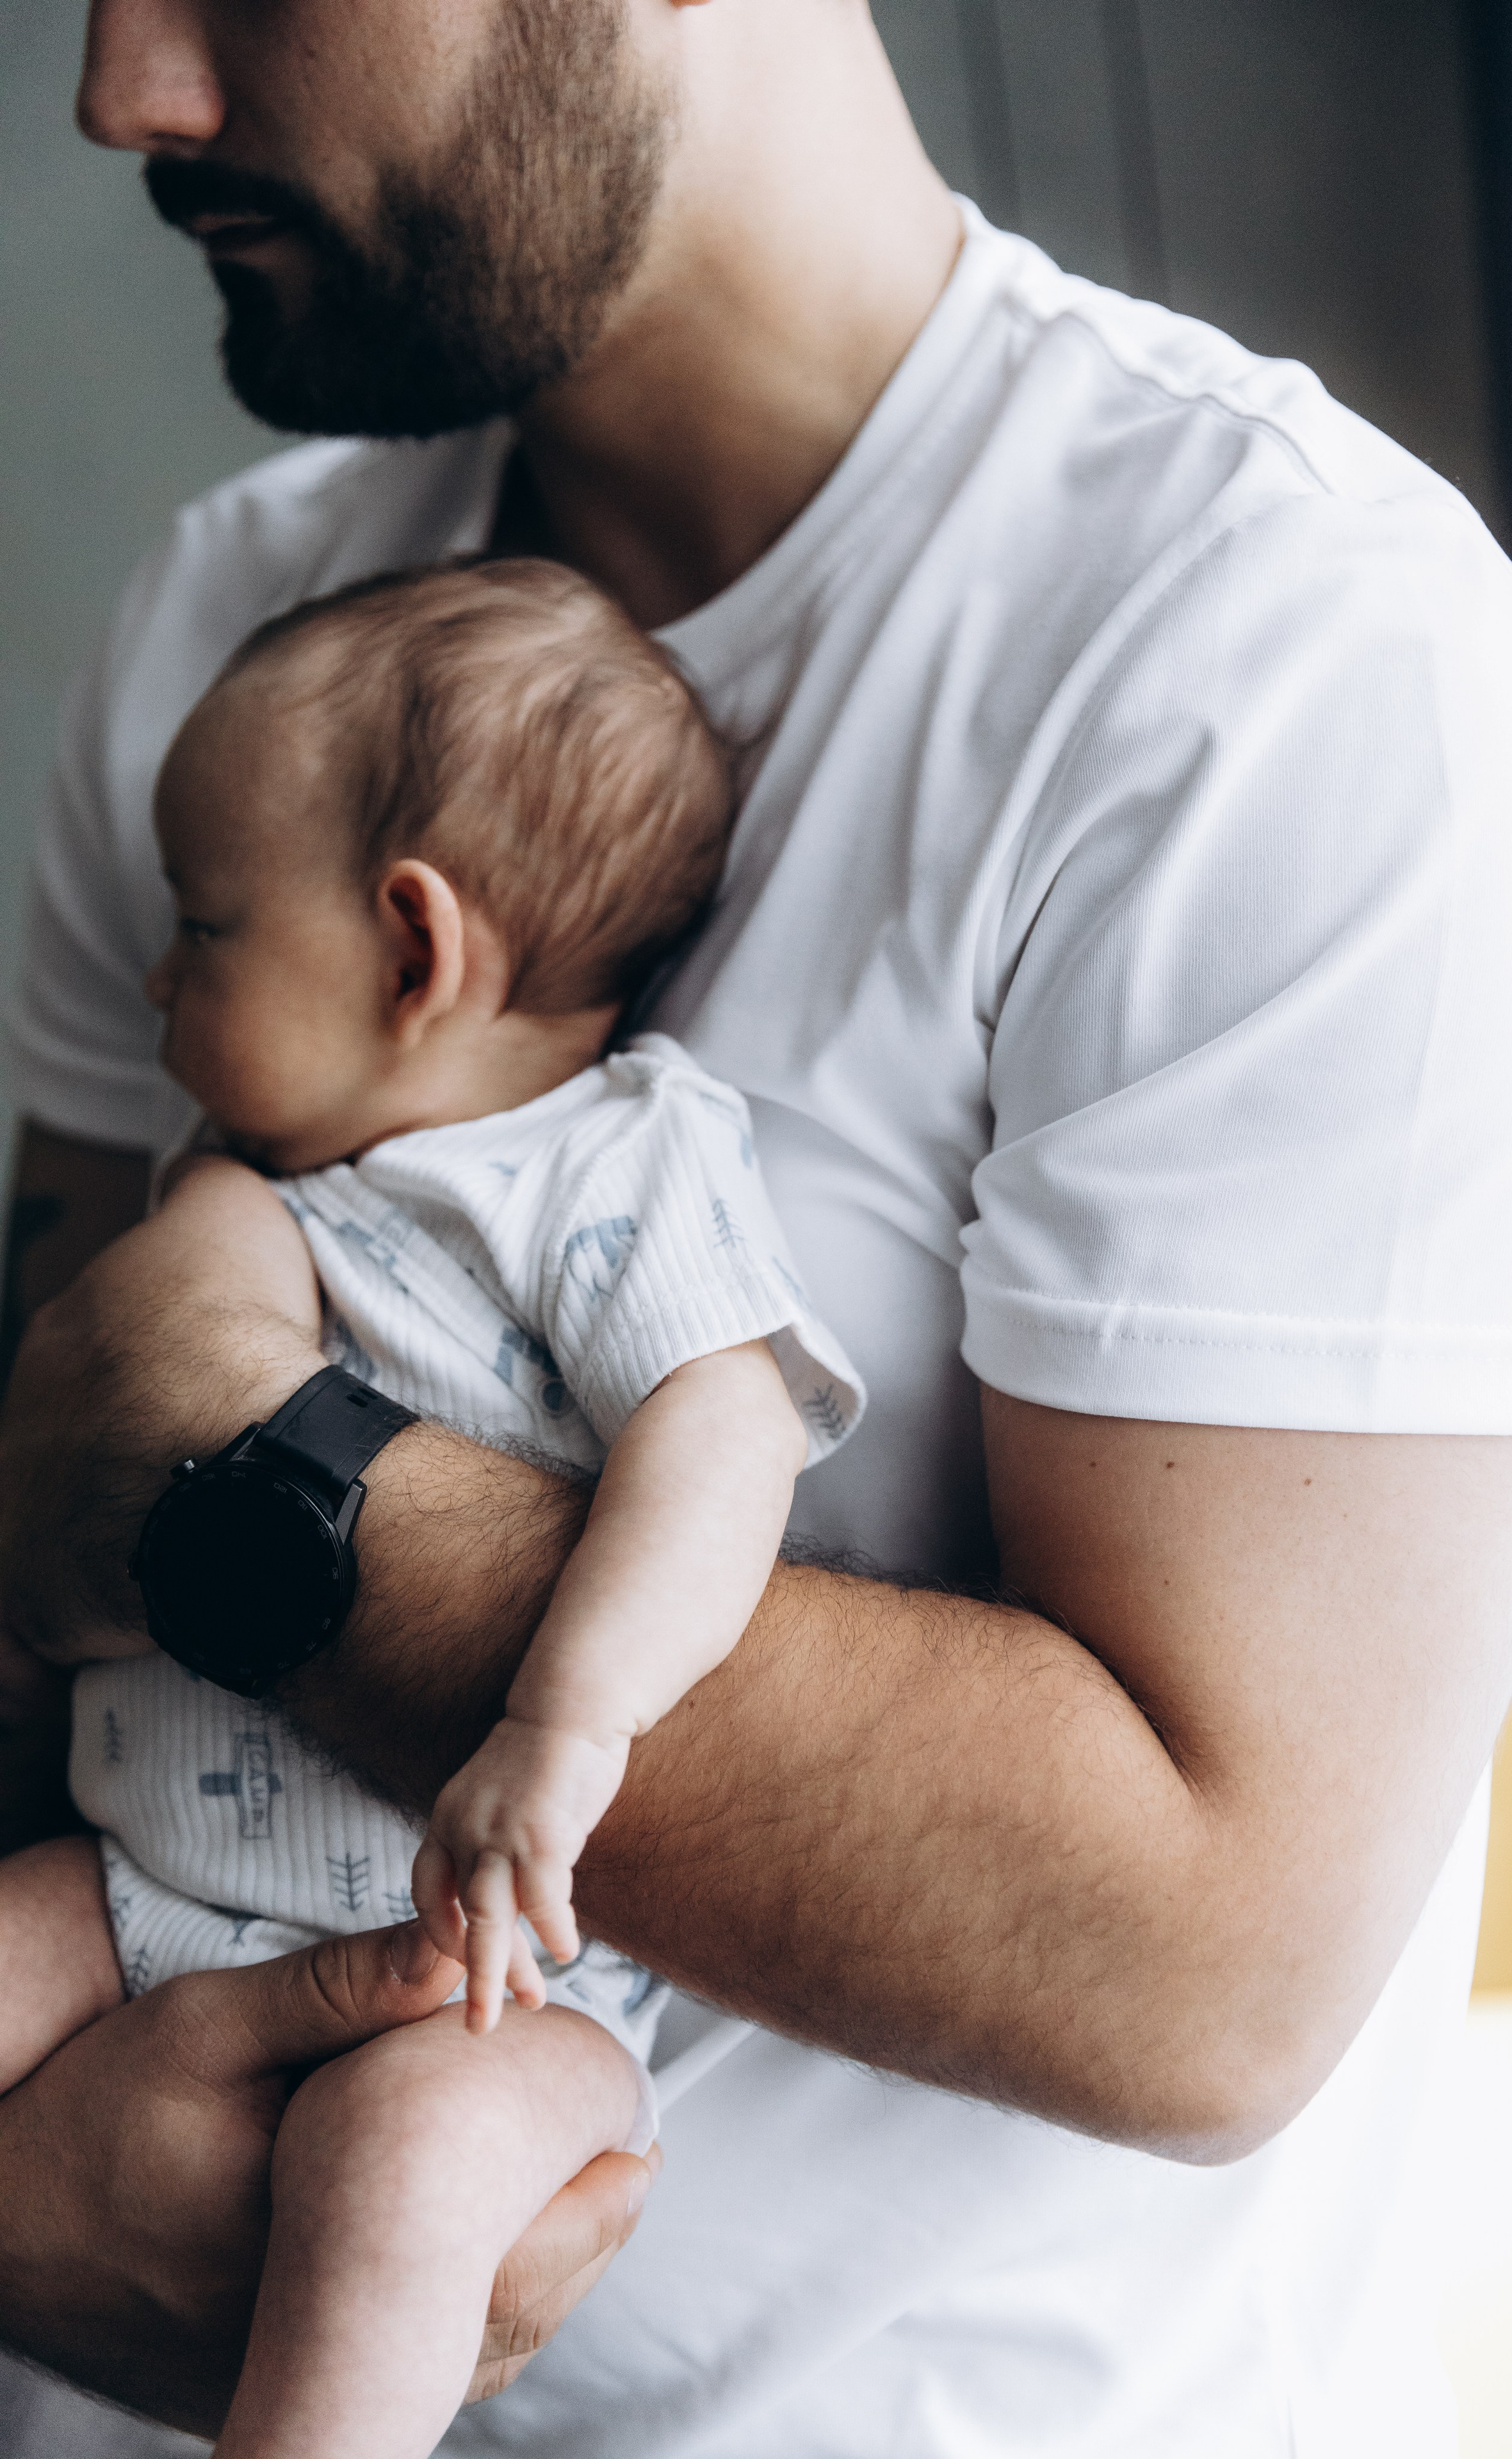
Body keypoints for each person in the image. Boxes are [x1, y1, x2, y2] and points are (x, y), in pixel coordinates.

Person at [2, 0, 1512, 2451]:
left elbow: (1199, 1962)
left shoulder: (1295, 674)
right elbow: (29, 1560)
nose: (128, 87)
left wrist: (245, 1465)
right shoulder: (237, 648)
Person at [1, 552, 862, 2459]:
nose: (158, 975)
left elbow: (720, 1434)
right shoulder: (266, 1176)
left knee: (401, 2181)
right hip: (136, 1892)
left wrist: (569, 1722)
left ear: (413, 949)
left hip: (476, 1981)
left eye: (204, 928)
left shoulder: (606, 1168)